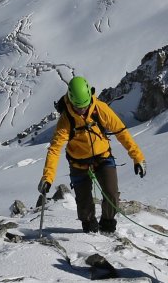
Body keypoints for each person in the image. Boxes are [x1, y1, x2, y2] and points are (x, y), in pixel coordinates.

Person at [38, 76, 147, 234]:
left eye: (85, 106)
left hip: (103, 157)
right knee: (84, 205)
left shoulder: (100, 108)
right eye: (78, 107)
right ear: (71, 101)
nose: (82, 110)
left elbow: (121, 132)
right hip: (78, 163)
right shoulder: (66, 120)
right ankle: (89, 229)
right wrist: (47, 177)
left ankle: (107, 225)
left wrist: (137, 157)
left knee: (111, 195)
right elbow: (55, 149)